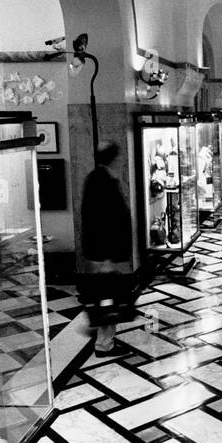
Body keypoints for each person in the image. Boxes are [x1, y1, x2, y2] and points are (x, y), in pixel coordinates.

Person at [80, 141, 133, 353]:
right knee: (107, 298)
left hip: (102, 252)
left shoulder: (100, 178)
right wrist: (107, 257)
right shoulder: (102, 181)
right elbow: (101, 220)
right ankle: (104, 344)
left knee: (106, 296)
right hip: (104, 253)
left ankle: (104, 336)